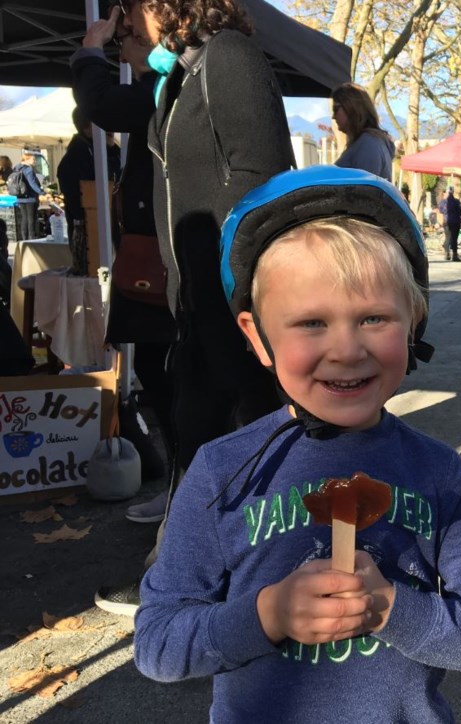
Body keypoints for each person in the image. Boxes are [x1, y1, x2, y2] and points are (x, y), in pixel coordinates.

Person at [134, 166, 461, 722]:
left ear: (414, 320)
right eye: (311, 323)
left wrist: (391, 606)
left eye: (373, 318)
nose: (346, 349)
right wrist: (267, 615)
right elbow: (158, 645)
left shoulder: (437, 470)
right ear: (256, 336)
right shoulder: (223, 470)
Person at [95, 0, 295, 615]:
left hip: (232, 308)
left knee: (238, 441)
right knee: (199, 439)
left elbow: (263, 188)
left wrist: (244, 308)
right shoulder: (182, 74)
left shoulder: (230, 58)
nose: (126, 21)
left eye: (131, 8)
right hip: (198, 305)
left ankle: (206, 590)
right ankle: (178, 581)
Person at [71, 6, 178, 513]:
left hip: (166, 260)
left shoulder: (174, 77)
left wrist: (92, 49)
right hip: (158, 256)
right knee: (166, 375)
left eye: (132, 34)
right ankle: (185, 487)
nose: (125, 43)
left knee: (171, 375)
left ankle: (188, 494)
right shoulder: (168, 79)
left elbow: (107, 105)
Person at [56, 107, 122, 242]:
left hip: (114, 229)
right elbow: (76, 198)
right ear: (87, 128)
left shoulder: (113, 152)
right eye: (103, 123)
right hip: (92, 235)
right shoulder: (78, 155)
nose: (111, 128)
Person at [332, 82, 395, 180]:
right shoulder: (371, 142)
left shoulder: (368, 144)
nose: (333, 116)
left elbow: (362, 192)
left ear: (351, 107)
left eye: (335, 109)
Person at [11, 151, 44, 240]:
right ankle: (31, 238)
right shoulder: (28, 169)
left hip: (20, 197)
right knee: (31, 219)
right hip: (30, 198)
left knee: (24, 218)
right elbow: (32, 183)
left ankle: (24, 238)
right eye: (33, 159)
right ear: (27, 159)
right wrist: (42, 192)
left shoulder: (16, 168)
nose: (35, 161)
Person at [437, 185, 461, 261]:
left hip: (447, 221)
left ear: (447, 192)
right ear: (453, 192)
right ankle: (454, 255)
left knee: (447, 237)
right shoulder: (457, 202)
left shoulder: (443, 202)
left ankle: (446, 254)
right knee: (454, 238)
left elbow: (441, 210)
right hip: (455, 221)